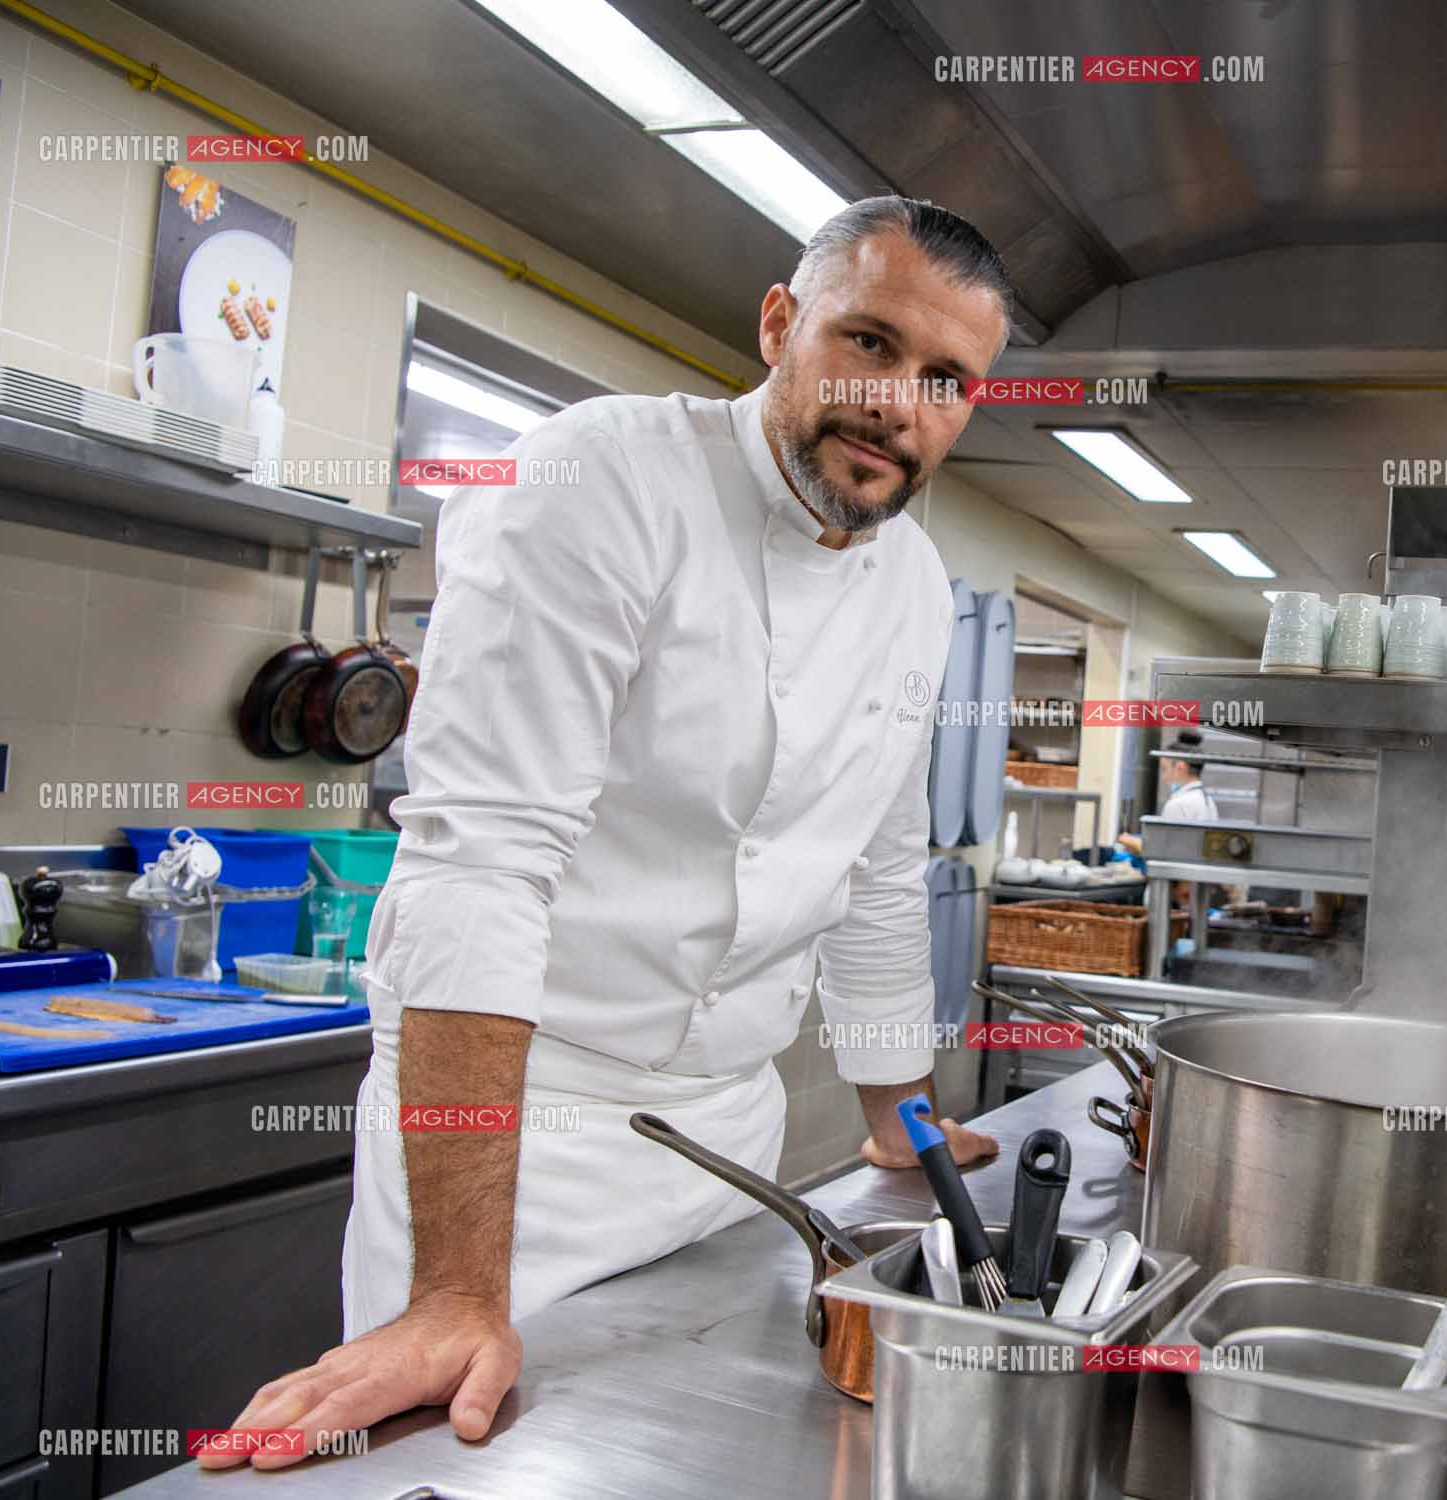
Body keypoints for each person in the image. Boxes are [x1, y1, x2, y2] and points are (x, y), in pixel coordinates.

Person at [202, 197, 1012, 1470]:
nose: (900, 406)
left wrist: (901, 1116)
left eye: (949, 381)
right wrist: (458, 1294)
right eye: (868, 343)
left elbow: (875, 870)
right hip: (522, 1147)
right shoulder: (596, 484)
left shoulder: (914, 590)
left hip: (731, 1160)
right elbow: (482, 866)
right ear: (779, 325)